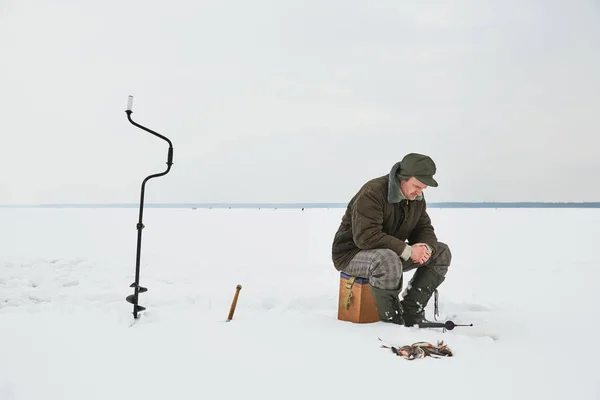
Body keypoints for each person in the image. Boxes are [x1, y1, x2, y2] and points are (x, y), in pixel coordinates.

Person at [331, 153, 451, 326]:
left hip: (390, 254)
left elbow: (423, 228)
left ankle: (411, 312)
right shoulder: (373, 192)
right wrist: (409, 251)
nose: (419, 192)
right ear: (402, 178)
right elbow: (365, 236)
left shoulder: (416, 198)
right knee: (387, 259)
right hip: (351, 254)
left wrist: (426, 248)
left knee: (441, 252)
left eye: (423, 189)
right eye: (416, 186)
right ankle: (391, 321)